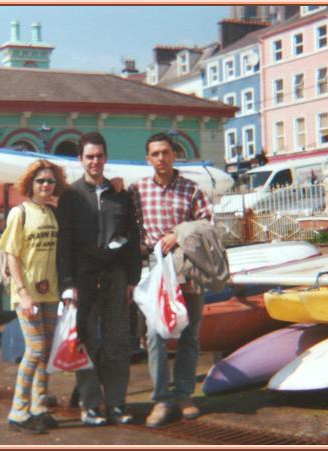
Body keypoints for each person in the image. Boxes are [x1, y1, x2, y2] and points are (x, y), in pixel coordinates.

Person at [56, 132, 141, 426]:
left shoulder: (120, 194)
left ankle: (117, 404)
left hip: (116, 277)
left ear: (106, 157)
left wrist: (133, 278)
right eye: (89, 156)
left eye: (99, 156)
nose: (95, 161)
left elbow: (132, 238)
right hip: (84, 280)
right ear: (80, 160)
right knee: (87, 342)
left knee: (118, 343)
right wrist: (67, 285)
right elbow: (63, 244)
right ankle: (91, 405)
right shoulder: (70, 197)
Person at [129, 132, 211, 428]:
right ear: (148, 158)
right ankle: (162, 397)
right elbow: (128, 223)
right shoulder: (137, 190)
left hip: (189, 264)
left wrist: (178, 234)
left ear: (173, 154)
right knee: (155, 333)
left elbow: (206, 224)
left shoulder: (191, 189)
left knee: (189, 331)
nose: (161, 158)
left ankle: (184, 393)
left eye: (166, 152)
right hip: (157, 267)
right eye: (155, 153)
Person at [0, 159, 69, 434]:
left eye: (50, 181)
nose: (46, 185)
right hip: (26, 294)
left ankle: (39, 407)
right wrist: (23, 293)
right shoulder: (20, 213)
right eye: (41, 181)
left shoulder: (51, 212)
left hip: (50, 292)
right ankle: (18, 411)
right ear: (30, 184)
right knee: (35, 350)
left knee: (46, 351)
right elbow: (12, 255)